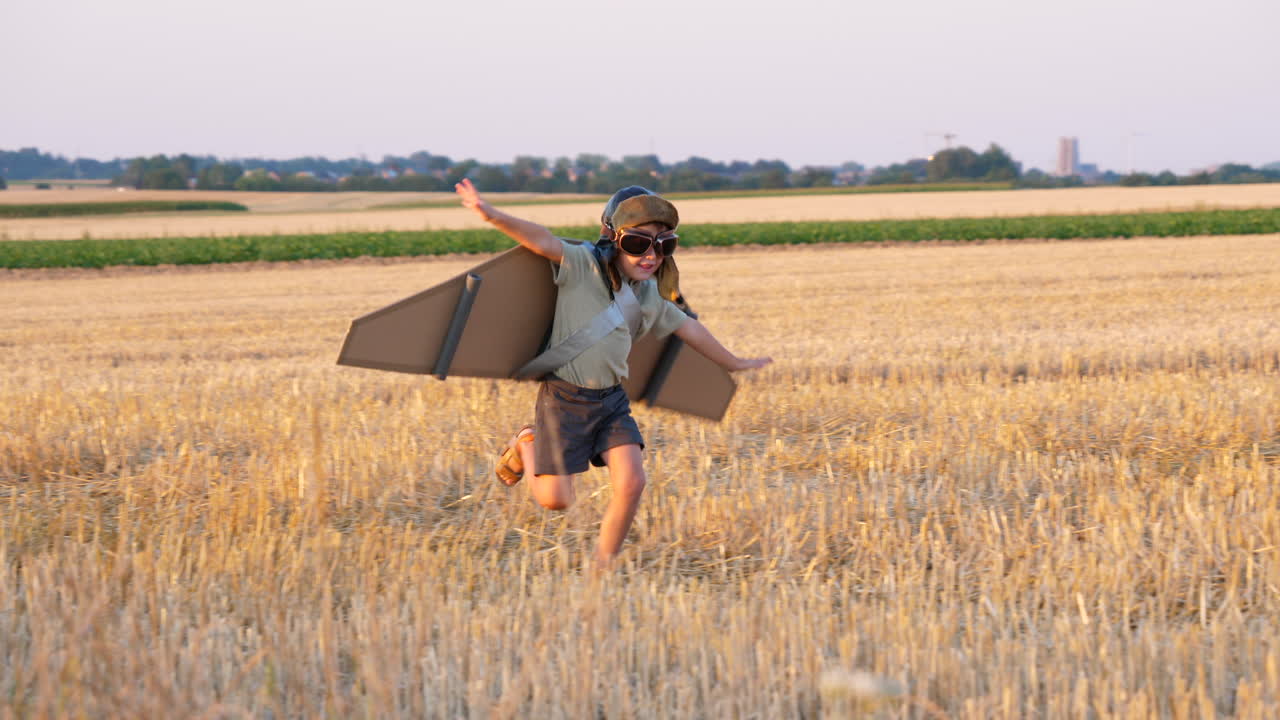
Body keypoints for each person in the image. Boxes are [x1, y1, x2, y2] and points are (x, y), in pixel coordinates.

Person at [455, 179, 772, 565]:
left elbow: (689, 328)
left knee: (633, 482)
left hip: (611, 401)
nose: (650, 256)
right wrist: (489, 214)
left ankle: (601, 568)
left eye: (663, 246)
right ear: (612, 237)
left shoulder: (649, 296)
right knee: (556, 500)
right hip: (565, 399)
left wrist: (734, 362)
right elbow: (541, 240)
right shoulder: (582, 266)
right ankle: (527, 442)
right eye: (638, 243)